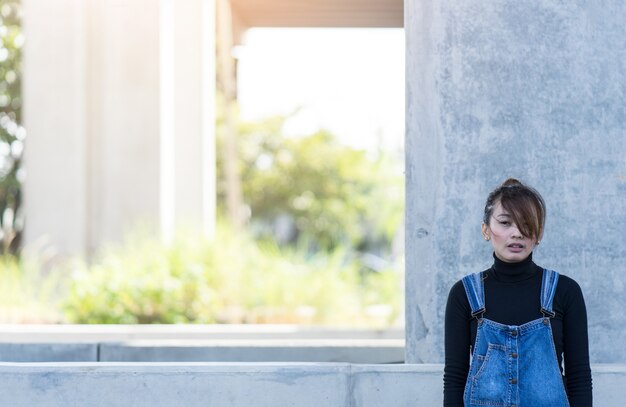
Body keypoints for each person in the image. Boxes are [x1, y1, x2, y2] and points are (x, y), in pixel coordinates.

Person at [443, 178, 592, 406]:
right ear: (485, 230)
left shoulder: (565, 291)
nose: (517, 233)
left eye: (526, 223)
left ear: (539, 233)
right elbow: (455, 379)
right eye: (505, 222)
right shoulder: (464, 294)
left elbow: (579, 378)